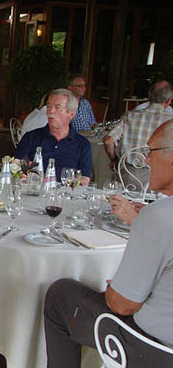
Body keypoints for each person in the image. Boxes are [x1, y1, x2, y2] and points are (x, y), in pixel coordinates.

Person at [44, 119, 173, 367]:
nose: (146, 160)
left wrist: (123, 291)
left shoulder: (158, 216)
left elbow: (121, 305)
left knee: (61, 295)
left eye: (151, 151)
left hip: (153, 349)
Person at [103, 81, 173, 188]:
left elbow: (108, 140)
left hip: (128, 177)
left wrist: (114, 160)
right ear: (169, 101)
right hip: (157, 180)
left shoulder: (130, 116)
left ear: (149, 97)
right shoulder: (170, 122)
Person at [15, 88, 92, 183]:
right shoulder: (31, 137)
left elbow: (85, 178)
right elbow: (17, 166)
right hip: (35, 190)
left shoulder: (82, 144)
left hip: (65, 194)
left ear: (71, 114)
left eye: (57, 107)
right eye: (49, 106)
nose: (50, 111)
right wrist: (24, 172)